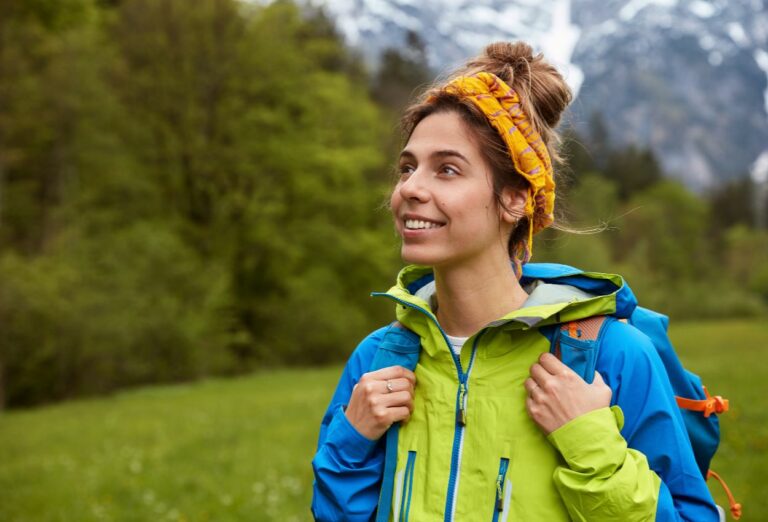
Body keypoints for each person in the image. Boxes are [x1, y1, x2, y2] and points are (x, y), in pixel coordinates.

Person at [311, 41, 720, 521]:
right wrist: (351, 442)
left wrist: (590, 442)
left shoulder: (609, 356)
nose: (410, 189)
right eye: (407, 167)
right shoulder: (380, 357)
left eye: (446, 169)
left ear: (515, 200)